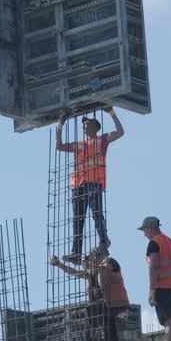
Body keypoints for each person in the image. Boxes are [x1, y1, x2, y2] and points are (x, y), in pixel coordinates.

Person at [56, 106, 125, 261]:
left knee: (97, 214)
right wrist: (61, 123)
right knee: (77, 220)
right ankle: (76, 253)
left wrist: (111, 113)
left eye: (87, 125)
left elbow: (120, 132)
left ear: (95, 127)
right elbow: (59, 146)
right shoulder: (79, 144)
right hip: (78, 186)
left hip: (94, 183)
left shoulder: (102, 140)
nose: (84, 127)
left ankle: (103, 242)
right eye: (84, 126)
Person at [50, 247, 130, 341]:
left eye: (90, 257)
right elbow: (74, 272)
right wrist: (59, 265)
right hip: (105, 308)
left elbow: (107, 267)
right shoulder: (92, 273)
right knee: (110, 337)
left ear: (99, 256)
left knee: (94, 315)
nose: (88, 260)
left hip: (117, 305)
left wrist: (94, 265)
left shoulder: (110, 262)